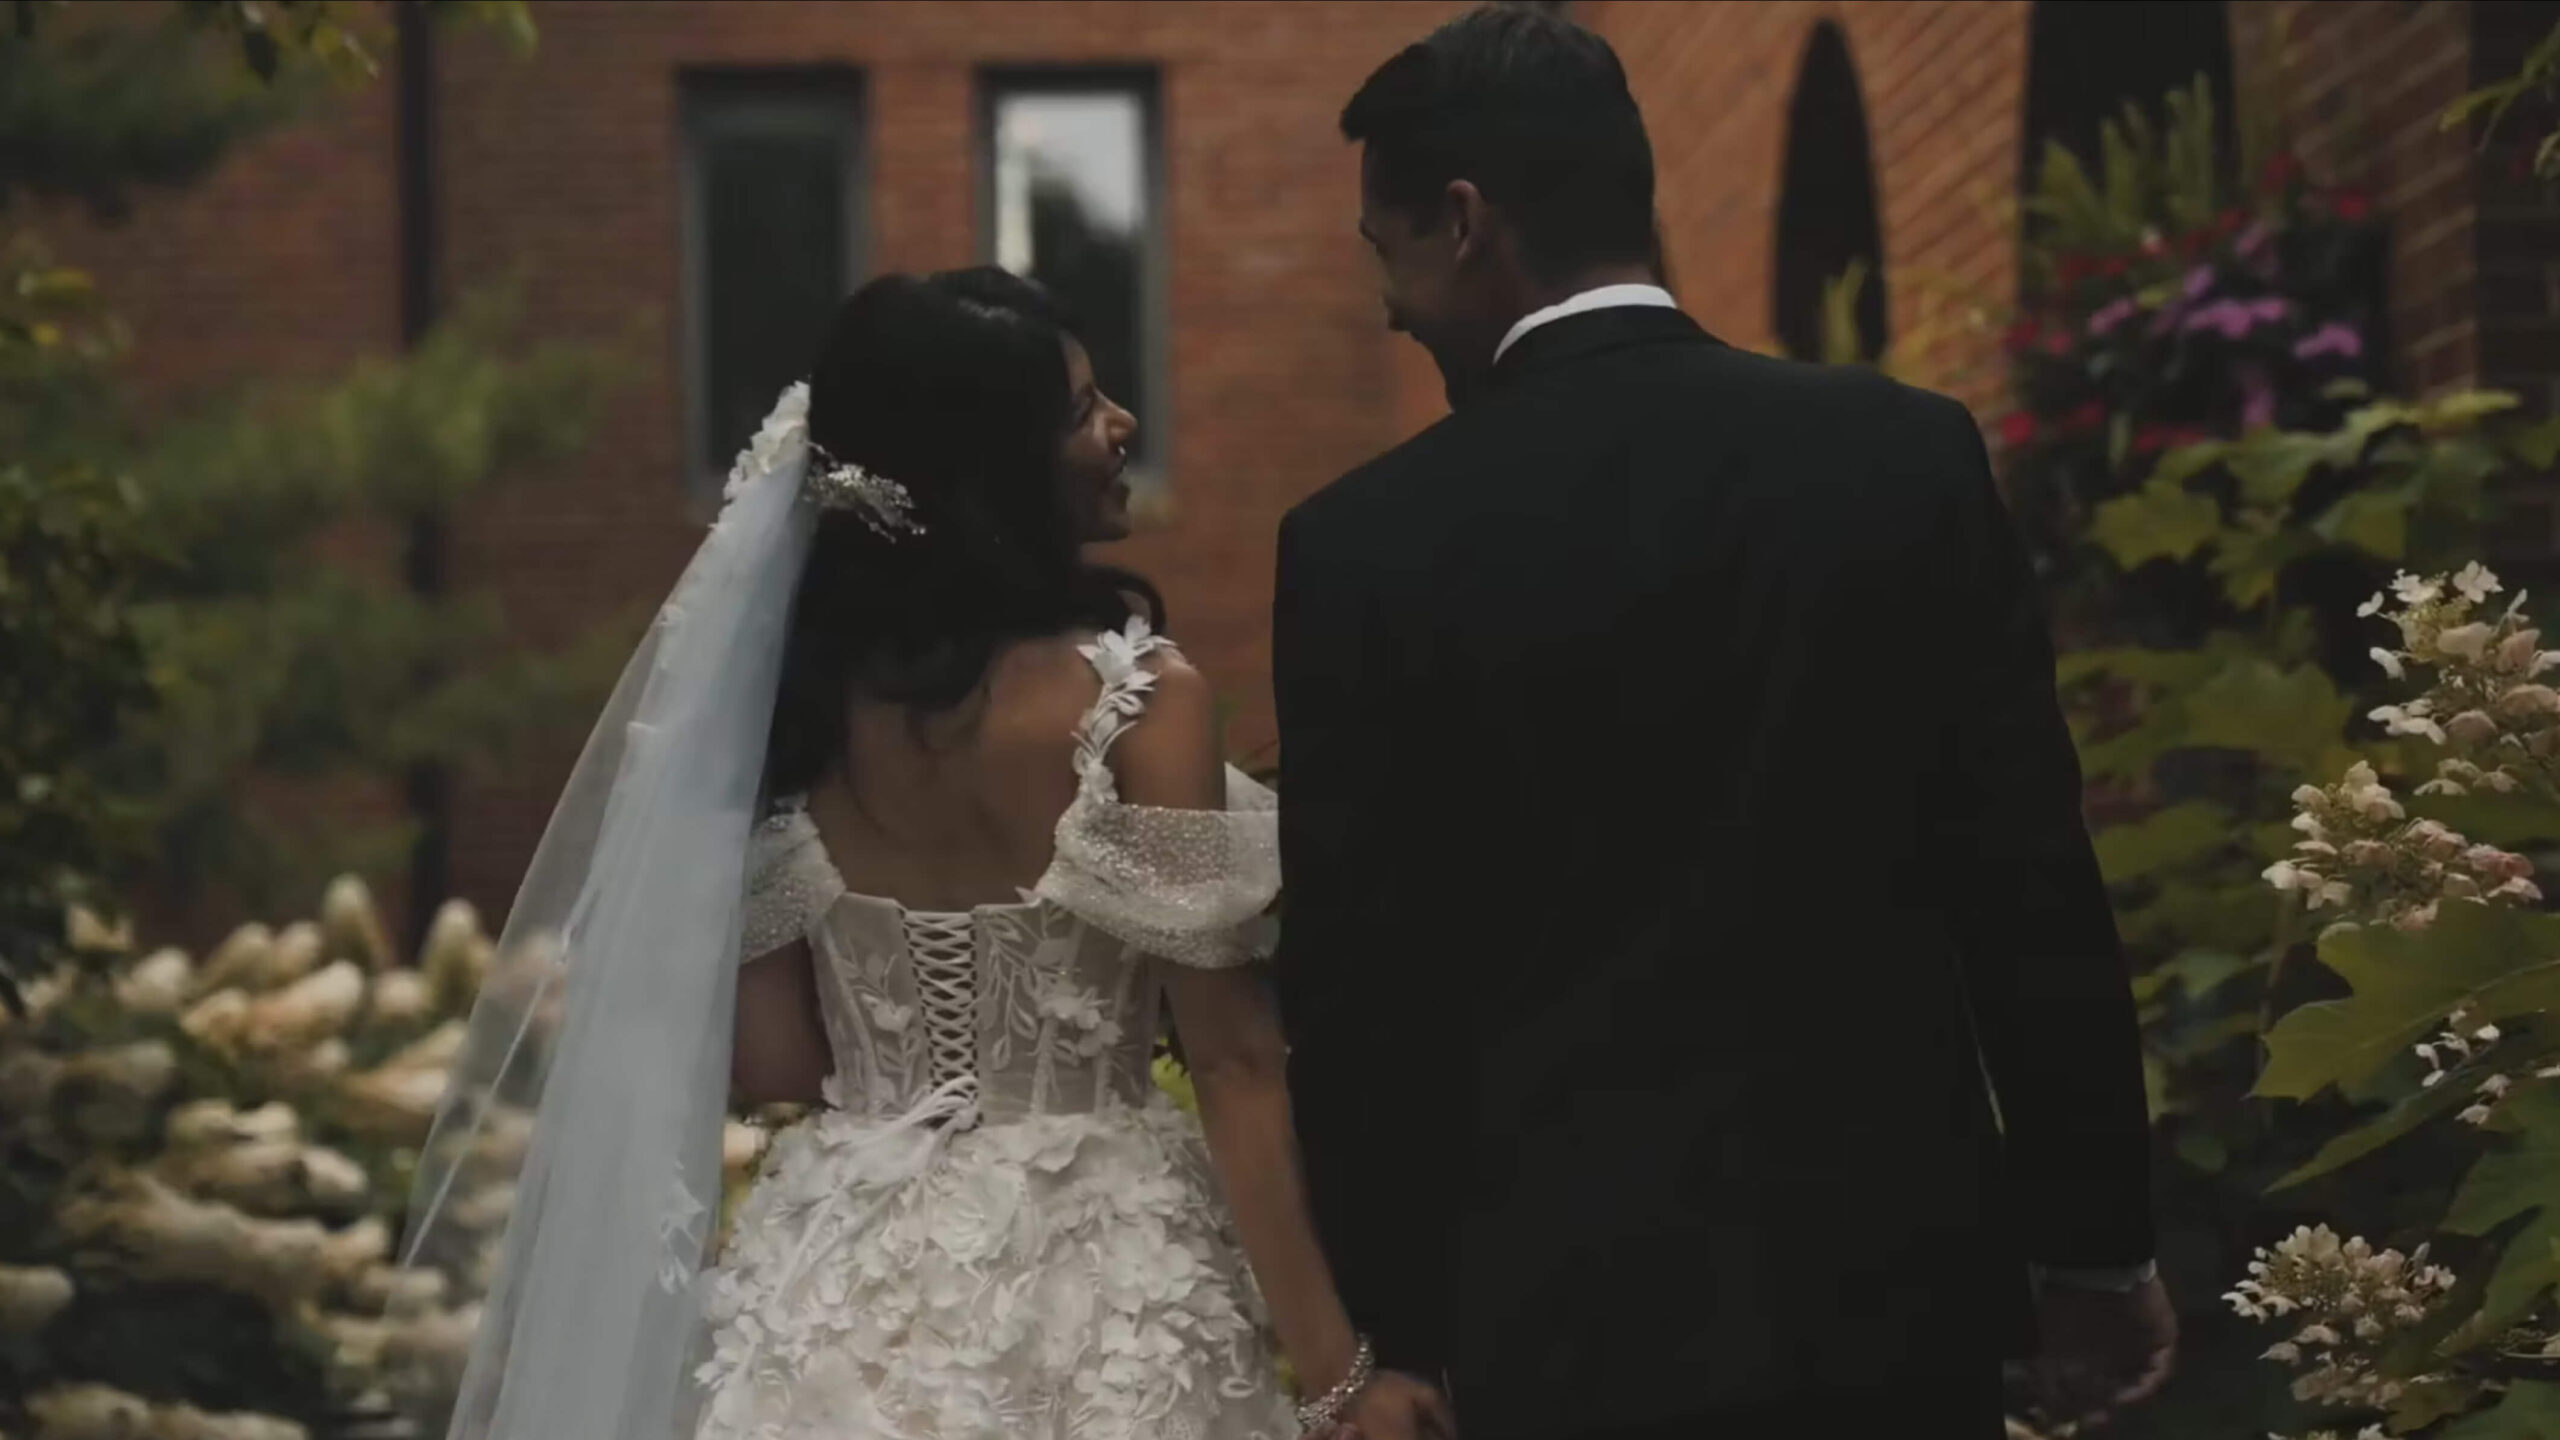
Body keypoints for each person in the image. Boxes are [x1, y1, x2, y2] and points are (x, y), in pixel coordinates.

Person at [1271, 8, 2177, 1440]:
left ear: (1463, 220)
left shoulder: (1359, 547)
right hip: (1892, 1295)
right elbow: (2025, 883)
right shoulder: (1902, 456)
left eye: (1386, 251)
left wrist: (1397, 1336)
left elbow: (1359, 992)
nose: (1392, 304)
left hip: (1561, 1324)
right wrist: (2093, 1247)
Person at [400, 269, 1388, 1440]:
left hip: (841, 1290)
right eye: (1082, 409)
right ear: (992, 473)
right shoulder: (1137, 705)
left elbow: (775, 1061)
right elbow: (1231, 1063)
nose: (1122, 424)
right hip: (1103, 1279)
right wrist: (1341, 1379)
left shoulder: (786, 719)